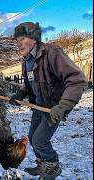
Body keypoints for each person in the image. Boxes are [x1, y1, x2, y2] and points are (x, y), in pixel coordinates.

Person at [10, 22, 87, 179]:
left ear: (34, 39)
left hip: (52, 108)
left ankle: (52, 167)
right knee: (32, 138)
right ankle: (42, 164)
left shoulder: (52, 53)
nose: (18, 43)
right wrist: (20, 95)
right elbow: (30, 84)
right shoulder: (26, 60)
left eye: (22, 38)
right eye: (16, 40)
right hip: (37, 107)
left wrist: (63, 106)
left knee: (39, 140)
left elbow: (77, 80)